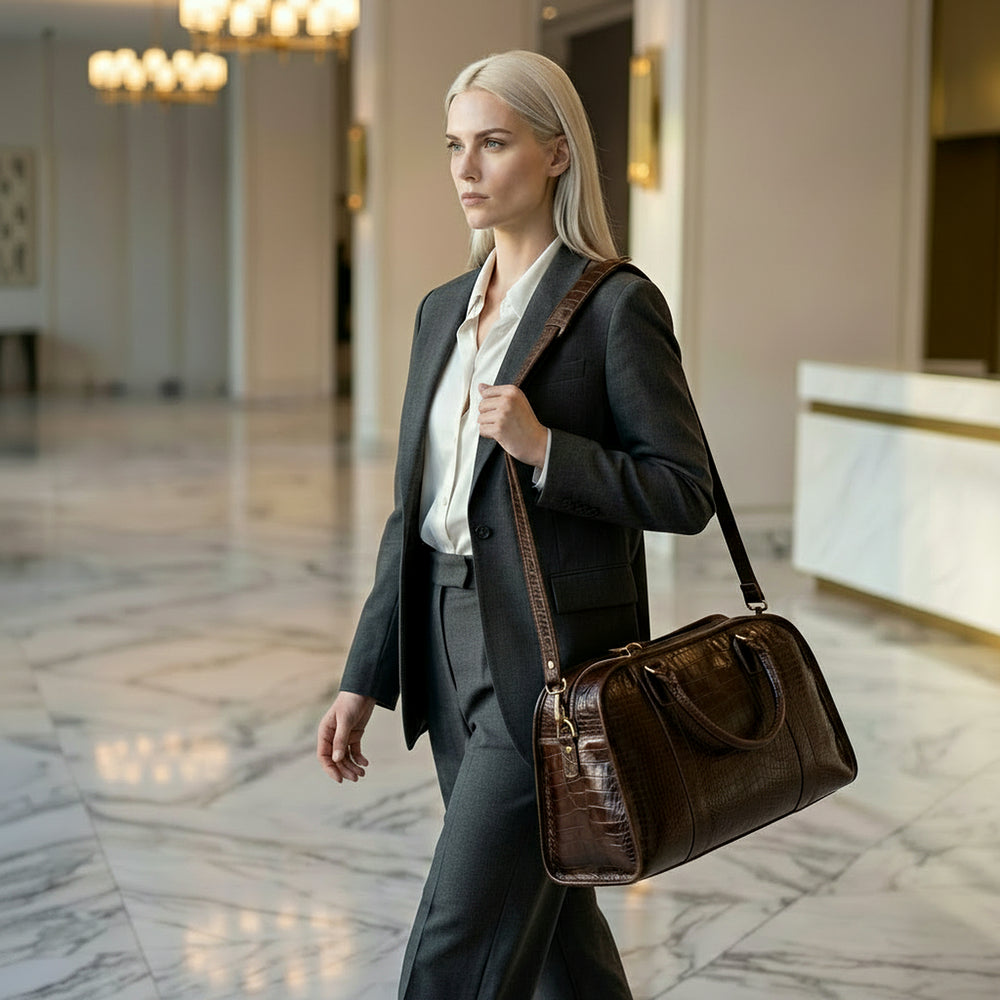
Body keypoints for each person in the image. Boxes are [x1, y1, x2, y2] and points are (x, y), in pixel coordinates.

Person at [316, 49, 714, 1000]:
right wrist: (364, 676)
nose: (466, 168)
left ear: (557, 154)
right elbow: (411, 516)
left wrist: (547, 451)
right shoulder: (440, 312)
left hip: (551, 663)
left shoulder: (617, 306)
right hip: (446, 649)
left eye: (492, 144)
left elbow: (685, 489)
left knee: (458, 942)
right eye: (456, 145)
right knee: (552, 923)